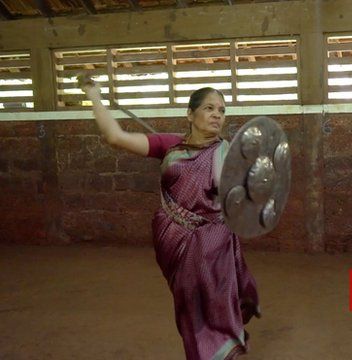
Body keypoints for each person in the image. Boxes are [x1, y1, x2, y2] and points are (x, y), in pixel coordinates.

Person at [80, 80, 260, 360]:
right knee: (190, 308)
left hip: (216, 243)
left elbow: (243, 197)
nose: (217, 115)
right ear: (190, 114)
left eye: (222, 111)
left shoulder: (228, 153)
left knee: (219, 305)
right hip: (176, 241)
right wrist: (93, 96)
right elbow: (114, 136)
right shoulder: (169, 145)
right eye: (209, 108)